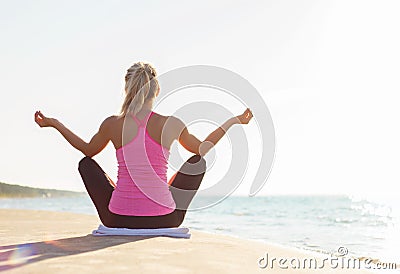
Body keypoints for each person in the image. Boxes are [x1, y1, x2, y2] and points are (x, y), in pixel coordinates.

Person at [34, 61, 253, 229]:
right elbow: (204, 148)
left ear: (127, 89)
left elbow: (88, 150)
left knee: (86, 164)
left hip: (116, 219)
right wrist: (234, 121)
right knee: (198, 160)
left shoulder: (112, 124)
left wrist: (55, 124)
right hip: (166, 219)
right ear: (156, 90)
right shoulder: (170, 123)